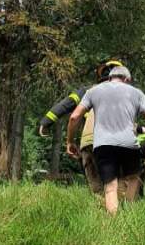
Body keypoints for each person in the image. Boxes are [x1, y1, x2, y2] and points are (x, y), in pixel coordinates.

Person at [66, 65, 145, 215]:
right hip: (129, 145)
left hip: (103, 145)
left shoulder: (93, 91)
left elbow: (74, 117)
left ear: (109, 78)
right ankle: (128, 210)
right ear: (127, 79)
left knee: (110, 187)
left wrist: (70, 141)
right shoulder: (136, 93)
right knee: (134, 179)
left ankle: (114, 222)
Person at [38, 58, 125, 196]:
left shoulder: (88, 90)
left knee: (96, 189)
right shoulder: (128, 93)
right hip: (116, 143)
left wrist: (46, 121)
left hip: (90, 142)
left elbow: (67, 104)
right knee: (119, 189)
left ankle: (99, 212)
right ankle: (120, 214)